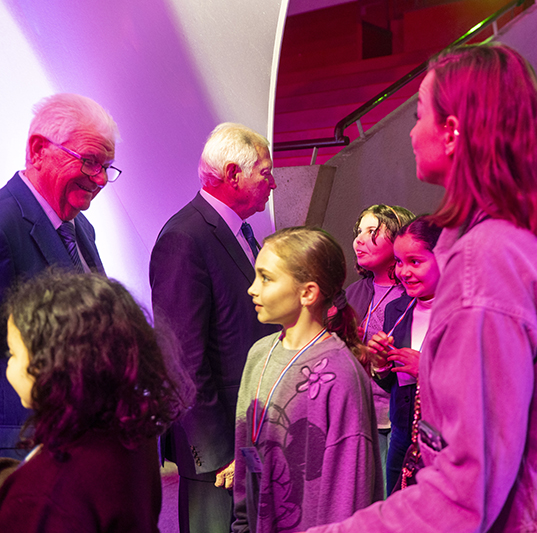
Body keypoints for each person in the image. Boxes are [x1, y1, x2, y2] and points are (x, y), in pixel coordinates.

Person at [305, 42, 537, 533]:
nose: (412, 132)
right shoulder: (534, 230)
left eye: (419, 115)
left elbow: (465, 493)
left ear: (453, 131)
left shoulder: (488, 258)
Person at [149, 123, 278, 533]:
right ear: (233, 174)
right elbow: (181, 357)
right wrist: (217, 450)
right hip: (217, 447)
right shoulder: (185, 237)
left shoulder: (241, 231)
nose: (273, 183)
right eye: (265, 173)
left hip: (247, 429)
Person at [0, 272, 191, 532]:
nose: (8, 364)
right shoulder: (131, 431)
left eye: (13, 353)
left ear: (53, 367)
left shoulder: (42, 493)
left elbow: (45, 497)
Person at [232, 227, 382, 532]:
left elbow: (350, 489)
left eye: (266, 278)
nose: (252, 289)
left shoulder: (340, 374)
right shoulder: (259, 354)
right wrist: (242, 522)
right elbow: (245, 444)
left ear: (308, 293)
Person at [0, 93, 119, 459]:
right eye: (89, 161)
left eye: (106, 167)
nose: (101, 179)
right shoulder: (3, 225)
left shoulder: (80, 227)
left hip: (84, 440)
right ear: (39, 150)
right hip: (28, 446)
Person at [368, 217, 442, 494]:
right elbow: (394, 384)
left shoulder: (465, 314)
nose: (404, 272)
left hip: (443, 440)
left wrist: (427, 371)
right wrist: (380, 365)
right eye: (399, 262)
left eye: (415, 261)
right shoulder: (396, 309)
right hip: (402, 434)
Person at [345, 204, 414, 488]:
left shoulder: (412, 295)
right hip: (358, 415)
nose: (359, 240)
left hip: (395, 418)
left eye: (372, 231)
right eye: (359, 231)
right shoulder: (352, 293)